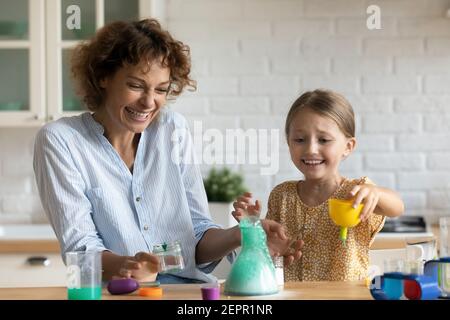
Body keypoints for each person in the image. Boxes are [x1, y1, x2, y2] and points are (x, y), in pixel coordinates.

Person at [33, 19, 302, 284]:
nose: (149, 102)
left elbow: (195, 235)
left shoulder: (172, 129)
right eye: (136, 85)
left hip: (187, 294)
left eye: (161, 89)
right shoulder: (61, 140)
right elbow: (80, 250)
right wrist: (130, 266)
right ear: (103, 76)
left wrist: (243, 235)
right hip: (117, 293)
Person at [232, 89, 405, 281]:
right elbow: (267, 255)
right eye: (299, 140)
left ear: (348, 146)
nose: (311, 149)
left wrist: (377, 192)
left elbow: (397, 207)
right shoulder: (282, 196)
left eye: (323, 140)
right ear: (288, 143)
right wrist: (252, 228)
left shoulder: (358, 193)